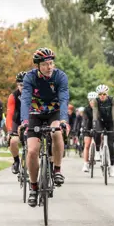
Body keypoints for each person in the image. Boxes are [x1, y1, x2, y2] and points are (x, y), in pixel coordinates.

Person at [20, 47, 70, 208]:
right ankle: (33, 188)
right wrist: (25, 121)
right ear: (38, 66)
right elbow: (26, 99)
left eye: (51, 63)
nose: (49, 67)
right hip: (35, 114)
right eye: (45, 64)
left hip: (54, 113)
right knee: (33, 150)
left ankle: (57, 170)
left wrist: (63, 120)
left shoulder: (60, 76)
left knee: (56, 132)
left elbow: (63, 99)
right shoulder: (30, 77)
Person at [91, 84, 114, 177]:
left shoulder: (112, 100)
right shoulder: (96, 101)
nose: (102, 96)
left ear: (107, 94)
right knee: (97, 132)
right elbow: (95, 113)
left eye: (104, 94)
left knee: (111, 144)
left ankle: (112, 167)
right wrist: (94, 124)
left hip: (110, 122)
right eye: (100, 94)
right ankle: (97, 152)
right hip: (100, 121)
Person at [6, 71, 26, 174]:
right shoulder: (13, 96)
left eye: (25, 85)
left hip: (31, 122)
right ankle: (16, 161)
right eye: (21, 85)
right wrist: (9, 130)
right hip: (17, 121)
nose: (23, 87)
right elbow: (9, 115)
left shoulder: (36, 94)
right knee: (13, 141)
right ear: (17, 85)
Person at [81, 92, 98, 172]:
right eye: (91, 101)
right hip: (88, 127)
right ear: (89, 101)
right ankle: (85, 163)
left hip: (97, 127)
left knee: (99, 138)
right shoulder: (86, 109)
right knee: (87, 145)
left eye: (94, 101)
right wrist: (84, 128)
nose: (92, 102)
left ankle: (98, 152)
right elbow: (85, 120)